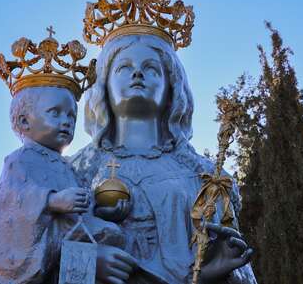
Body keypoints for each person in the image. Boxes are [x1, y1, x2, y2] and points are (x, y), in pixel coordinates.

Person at [70, 33, 258, 284]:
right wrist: (91, 261)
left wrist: (218, 268)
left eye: (151, 69)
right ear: (104, 85)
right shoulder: (76, 170)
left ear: (172, 88)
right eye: (124, 68)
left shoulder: (206, 177)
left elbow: (235, 272)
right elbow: (48, 250)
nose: (137, 74)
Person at [0, 35, 127, 284]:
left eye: (71, 116)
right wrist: (52, 200)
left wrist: (102, 211)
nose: (66, 121)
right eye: (54, 113)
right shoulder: (20, 160)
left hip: (65, 251)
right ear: (24, 121)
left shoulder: (69, 169)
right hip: (31, 263)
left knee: (113, 233)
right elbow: (15, 199)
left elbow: (76, 216)